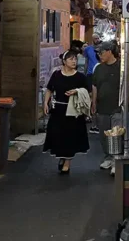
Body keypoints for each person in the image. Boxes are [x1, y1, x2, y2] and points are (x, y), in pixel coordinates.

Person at [43, 50, 91, 174]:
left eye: (75, 59)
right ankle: (62, 157)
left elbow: (88, 92)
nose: (74, 61)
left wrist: (77, 91)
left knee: (71, 136)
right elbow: (49, 89)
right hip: (58, 110)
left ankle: (68, 162)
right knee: (58, 135)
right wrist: (45, 103)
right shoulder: (56, 75)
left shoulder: (80, 77)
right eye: (71, 59)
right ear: (64, 61)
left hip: (73, 111)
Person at [91, 41, 121, 173]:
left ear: (109, 51)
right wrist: (93, 103)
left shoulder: (121, 67)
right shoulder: (98, 68)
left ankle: (116, 160)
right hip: (102, 107)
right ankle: (108, 157)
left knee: (116, 134)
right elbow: (94, 86)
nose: (99, 55)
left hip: (117, 107)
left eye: (101, 52)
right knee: (104, 135)